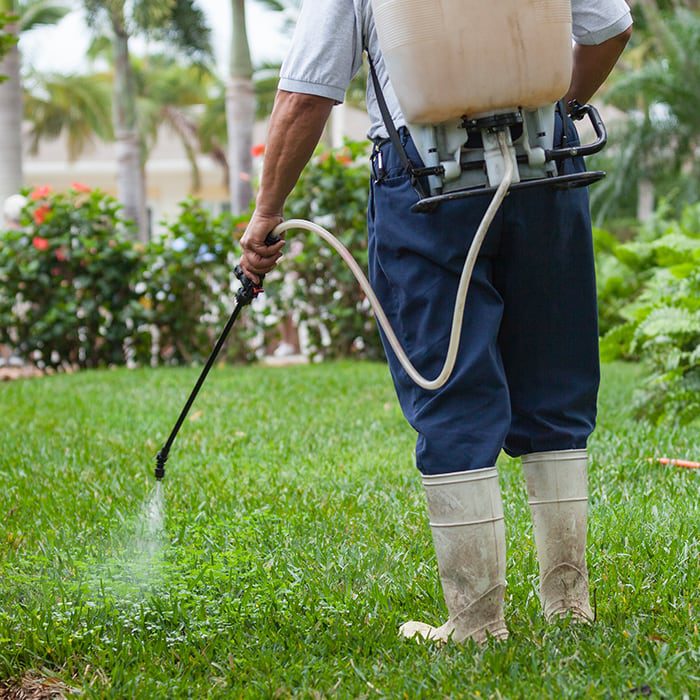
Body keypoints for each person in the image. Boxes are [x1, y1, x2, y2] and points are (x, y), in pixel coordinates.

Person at [239, 0, 632, 644]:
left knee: (448, 385)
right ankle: (568, 605)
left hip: (429, 182)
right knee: (555, 382)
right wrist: (556, 111)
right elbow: (609, 29)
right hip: (546, 169)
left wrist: (265, 216)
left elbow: (306, 95)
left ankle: (477, 624)